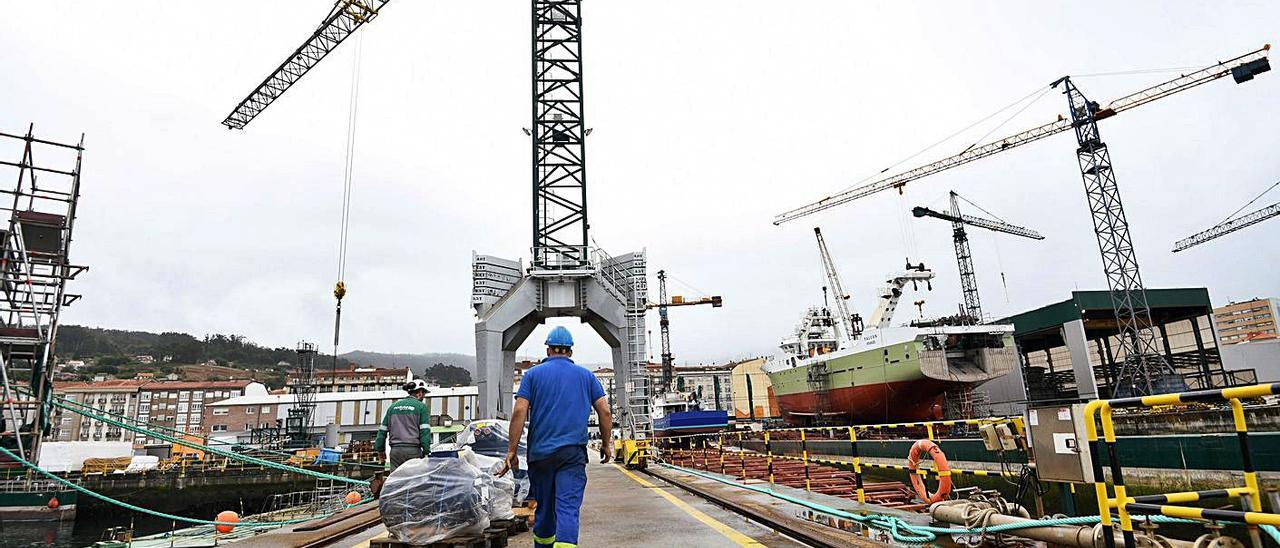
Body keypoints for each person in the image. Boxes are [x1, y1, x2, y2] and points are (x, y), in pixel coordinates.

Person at [496, 326, 612, 548]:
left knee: (546, 508)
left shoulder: (532, 375)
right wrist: (606, 444)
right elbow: (604, 412)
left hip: (540, 454)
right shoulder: (586, 376)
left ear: (548, 350)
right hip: (572, 454)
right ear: (570, 351)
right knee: (567, 507)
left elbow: (519, 411)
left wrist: (511, 450)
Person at [374, 378, 432, 472]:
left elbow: (382, 431)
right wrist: (426, 452)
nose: (423, 396)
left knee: (397, 480)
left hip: (395, 452)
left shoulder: (393, 407)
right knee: (414, 481)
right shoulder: (421, 407)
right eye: (424, 393)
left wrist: (380, 450)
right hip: (413, 451)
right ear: (420, 393)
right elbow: (424, 432)